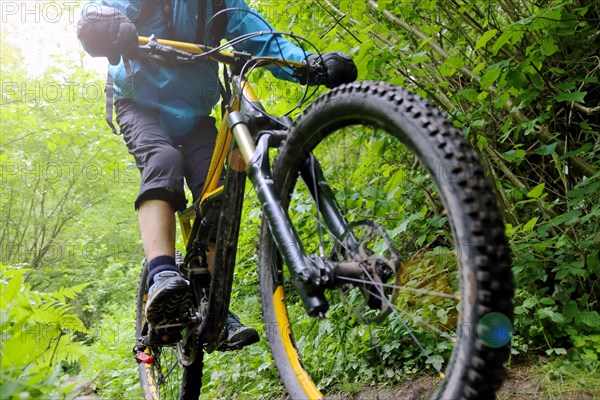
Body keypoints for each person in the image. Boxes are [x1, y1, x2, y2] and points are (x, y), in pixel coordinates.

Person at [76, 0, 357, 351]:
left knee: (219, 191)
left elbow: (262, 39)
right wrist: (105, 24)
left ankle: (215, 305)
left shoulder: (220, 3)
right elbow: (97, 13)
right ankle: (162, 272)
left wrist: (306, 64)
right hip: (140, 106)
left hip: (194, 116)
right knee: (163, 160)